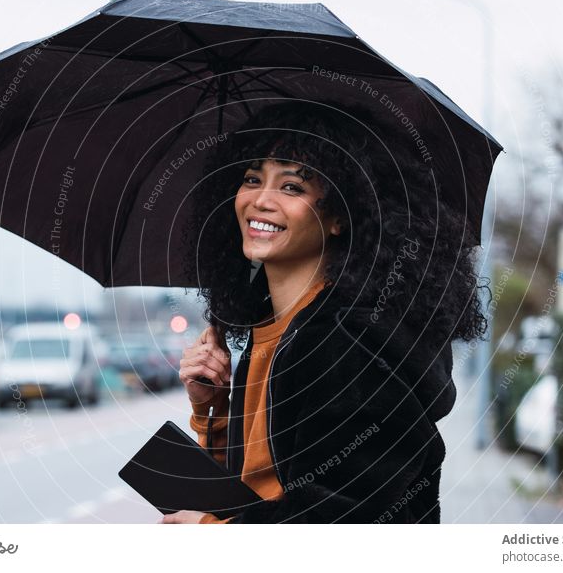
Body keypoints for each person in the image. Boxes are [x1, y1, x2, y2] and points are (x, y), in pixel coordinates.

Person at [160, 100, 490, 524]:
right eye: (251, 179)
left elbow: (341, 519)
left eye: (292, 187)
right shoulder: (280, 329)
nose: (261, 200)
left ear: (340, 215)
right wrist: (213, 407)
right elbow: (259, 484)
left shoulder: (349, 341)